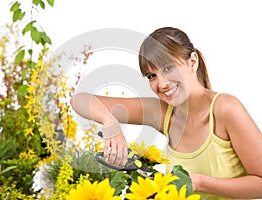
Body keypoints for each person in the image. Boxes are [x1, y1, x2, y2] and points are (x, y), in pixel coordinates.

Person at [70, 27, 262, 199]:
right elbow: (79, 100)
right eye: (152, 76)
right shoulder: (162, 112)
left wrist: (200, 183)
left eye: (168, 68)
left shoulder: (225, 108)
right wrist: (109, 121)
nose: (162, 84)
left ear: (192, 62)